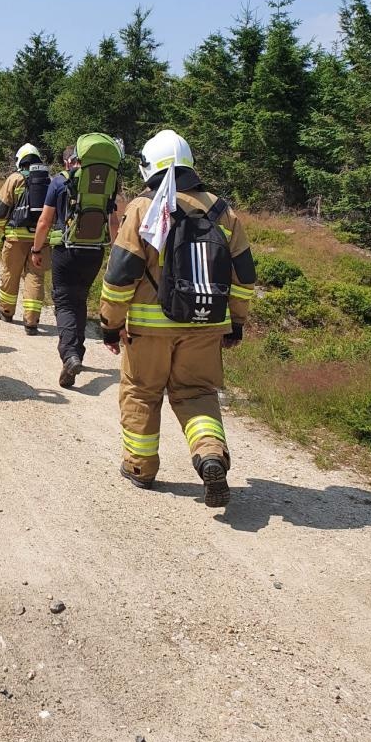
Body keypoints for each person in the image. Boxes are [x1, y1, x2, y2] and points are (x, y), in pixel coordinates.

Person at [99, 129, 256, 506]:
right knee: (197, 394)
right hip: (206, 325)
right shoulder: (222, 210)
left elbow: (121, 275)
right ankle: (210, 453)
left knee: (141, 393)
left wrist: (110, 324)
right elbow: (244, 276)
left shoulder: (143, 207)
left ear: (148, 167)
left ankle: (140, 467)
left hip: (148, 331)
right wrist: (235, 323)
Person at [30, 134, 123, 387]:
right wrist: (117, 254)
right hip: (95, 252)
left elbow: (44, 221)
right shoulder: (109, 184)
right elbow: (114, 223)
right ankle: (76, 353)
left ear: (75, 158)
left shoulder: (60, 181)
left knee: (64, 302)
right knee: (79, 299)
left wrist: (36, 250)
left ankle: (70, 354)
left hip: (66, 250)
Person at [0, 143, 50, 334]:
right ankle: (31, 321)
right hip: (41, 240)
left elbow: (1, 211)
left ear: (20, 160)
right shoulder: (48, 180)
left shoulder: (14, 179)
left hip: (16, 237)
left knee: (11, 273)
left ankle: (6, 311)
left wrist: (5, 230)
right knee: (36, 277)